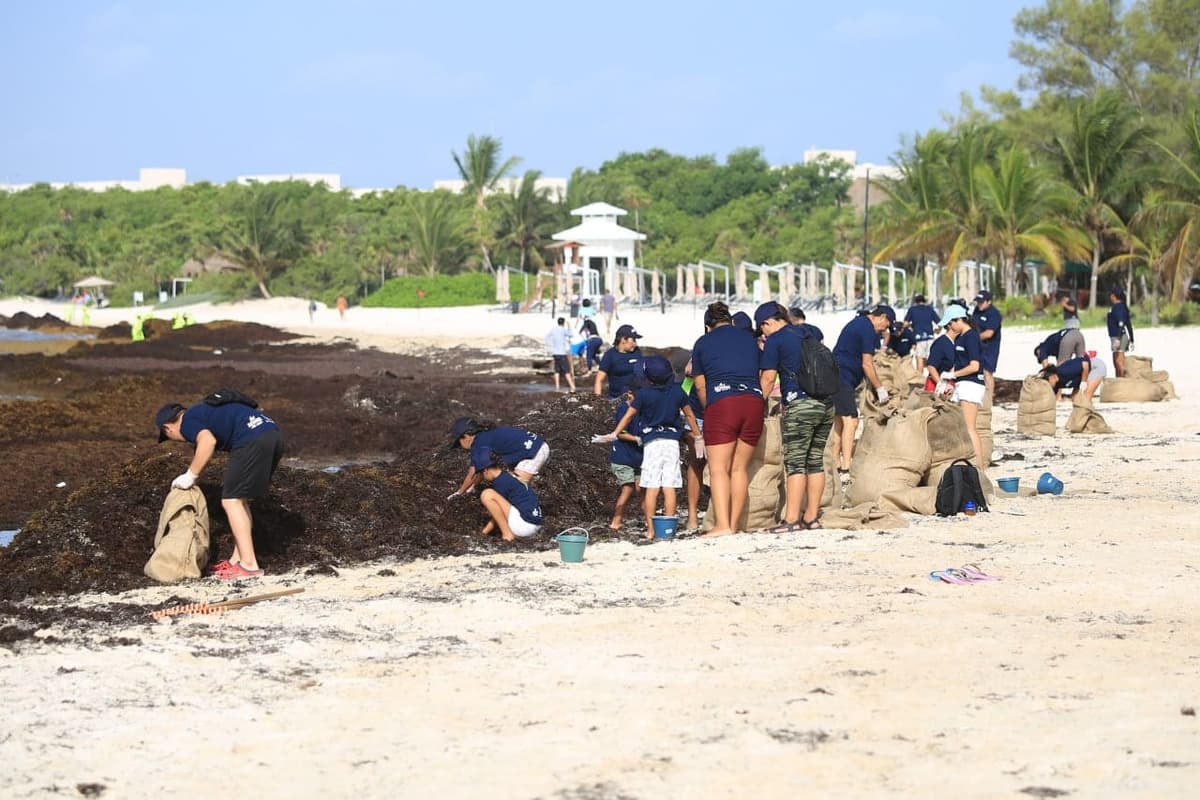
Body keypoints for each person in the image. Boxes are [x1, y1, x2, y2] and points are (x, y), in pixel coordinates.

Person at [155, 394, 285, 580]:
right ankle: (237, 561)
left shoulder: (188, 420)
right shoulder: (204, 413)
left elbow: (208, 442)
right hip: (273, 435)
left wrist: (190, 476)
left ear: (168, 428)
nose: (179, 440)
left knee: (231, 501)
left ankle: (249, 566)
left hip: (252, 439)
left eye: (169, 436)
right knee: (239, 500)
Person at [756, 302, 834, 531]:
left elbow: (768, 380)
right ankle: (812, 517)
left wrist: (757, 405)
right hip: (826, 404)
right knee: (815, 461)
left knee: (796, 463)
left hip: (800, 406)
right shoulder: (808, 332)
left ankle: (791, 519)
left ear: (767, 323)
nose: (763, 334)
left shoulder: (775, 341)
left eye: (762, 329)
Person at [690, 301, 764, 537]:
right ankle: (734, 524)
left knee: (719, 469)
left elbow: (700, 385)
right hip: (753, 402)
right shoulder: (749, 340)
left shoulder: (703, 343)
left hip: (724, 402)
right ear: (731, 320)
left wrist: (708, 408)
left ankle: (722, 525)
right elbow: (762, 373)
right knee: (740, 468)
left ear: (707, 326)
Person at [607, 355, 700, 539]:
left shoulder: (643, 394)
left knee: (651, 487)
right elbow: (690, 416)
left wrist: (614, 433)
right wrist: (698, 436)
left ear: (647, 377)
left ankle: (651, 530)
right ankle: (668, 530)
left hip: (652, 444)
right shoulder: (678, 392)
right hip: (672, 443)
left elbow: (628, 416)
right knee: (669, 486)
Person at [830, 304, 894, 486]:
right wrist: (880, 389)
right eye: (887, 324)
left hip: (838, 375)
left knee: (838, 422)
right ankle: (846, 467)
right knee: (852, 421)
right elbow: (867, 364)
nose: (885, 329)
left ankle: (835, 462)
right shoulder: (867, 329)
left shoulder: (859, 323)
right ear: (881, 317)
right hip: (842, 377)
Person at [448, 418, 549, 499]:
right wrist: (472, 487)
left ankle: (526, 518)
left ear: (466, 436)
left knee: (514, 489)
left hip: (535, 452)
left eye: (459, 443)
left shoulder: (478, 444)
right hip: (537, 445)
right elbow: (480, 470)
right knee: (513, 484)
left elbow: (473, 473)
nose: (460, 446)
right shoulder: (485, 436)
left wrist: (459, 492)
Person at [935, 304, 986, 467]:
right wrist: (949, 382)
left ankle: (979, 466)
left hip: (972, 384)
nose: (949, 328)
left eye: (950, 324)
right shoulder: (960, 338)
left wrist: (953, 375)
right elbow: (959, 364)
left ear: (958, 320)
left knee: (969, 428)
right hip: (962, 384)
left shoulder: (971, 336)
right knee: (962, 426)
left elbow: (974, 366)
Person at [472, 446, 544, 541]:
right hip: (536, 524)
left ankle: (507, 535)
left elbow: (498, 514)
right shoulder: (508, 476)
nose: (482, 478)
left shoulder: (501, 483)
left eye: (480, 474)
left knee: (487, 494)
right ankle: (508, 533)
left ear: (485, 471)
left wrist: (484, 533)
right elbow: (503, 511)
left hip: (526, 527)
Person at [607, 389, 644, 531]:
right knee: (627, 489)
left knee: (642, 489)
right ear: (630, 393)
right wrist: (637, 439)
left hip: (638, 458)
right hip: (622, 458)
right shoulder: (623, 409)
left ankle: (648, 519)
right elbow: (620, 432)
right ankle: (616, 521)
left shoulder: (642, 409)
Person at [594, 324, 644, 398]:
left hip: (636, 399)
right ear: (623, 339)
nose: (635, 344)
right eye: (633, 340)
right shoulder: (609, 355)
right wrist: (597, 402)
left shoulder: (637, 352)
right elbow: (599, 380)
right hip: (616, 399)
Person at [970, 290, 1002, 397]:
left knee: (987, 373)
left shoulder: (994, 314)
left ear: (989, 302)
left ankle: (989, 397)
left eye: (981, 302)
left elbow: (989, 333)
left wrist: (973, 338)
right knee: (975, 370)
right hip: (978, 346)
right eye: (978, 302)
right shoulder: (976, 311)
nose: (979, 304)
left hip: (990, 348)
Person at [904, 294, 939, 372]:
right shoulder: (930, 309)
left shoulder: (912, 309)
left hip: (918, 337)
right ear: (924, 301)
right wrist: (937, 330)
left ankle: (920, 381)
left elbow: (905, 324)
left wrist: (911, 326)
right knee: (931, 361)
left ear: (915, 302)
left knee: (920, 360)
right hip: (930, 337)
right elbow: (939, 323)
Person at [1107, 287, 1134, 377]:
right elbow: (1129, 325)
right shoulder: (1123, 307)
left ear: (1114, 296)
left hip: (1118, 336)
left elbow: (1121, 323)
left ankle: (1122, 381)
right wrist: (1132, 339)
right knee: (1116, 362)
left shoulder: (1117, 307)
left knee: (1119, 362)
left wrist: (1118, 339)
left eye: (1111, 295)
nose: (1110, 297)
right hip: (1120, 336)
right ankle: (1119, 381)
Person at [544, 317, 576, 392]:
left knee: (557, 370)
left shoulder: (554, 329)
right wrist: (569, 326)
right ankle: (572, 386)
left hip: (555, 353)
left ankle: (557, 386)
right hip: (562, 353)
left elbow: (547, 337)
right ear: (563, 323)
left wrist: (551, 344)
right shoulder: (563, 330)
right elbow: (571, 334)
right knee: (566, 370)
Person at [924, 327, 956, 392]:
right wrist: (941, 384)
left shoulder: (957, 343)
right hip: (935, 385)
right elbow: (931, 366)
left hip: (950, 384)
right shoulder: (941, 343)